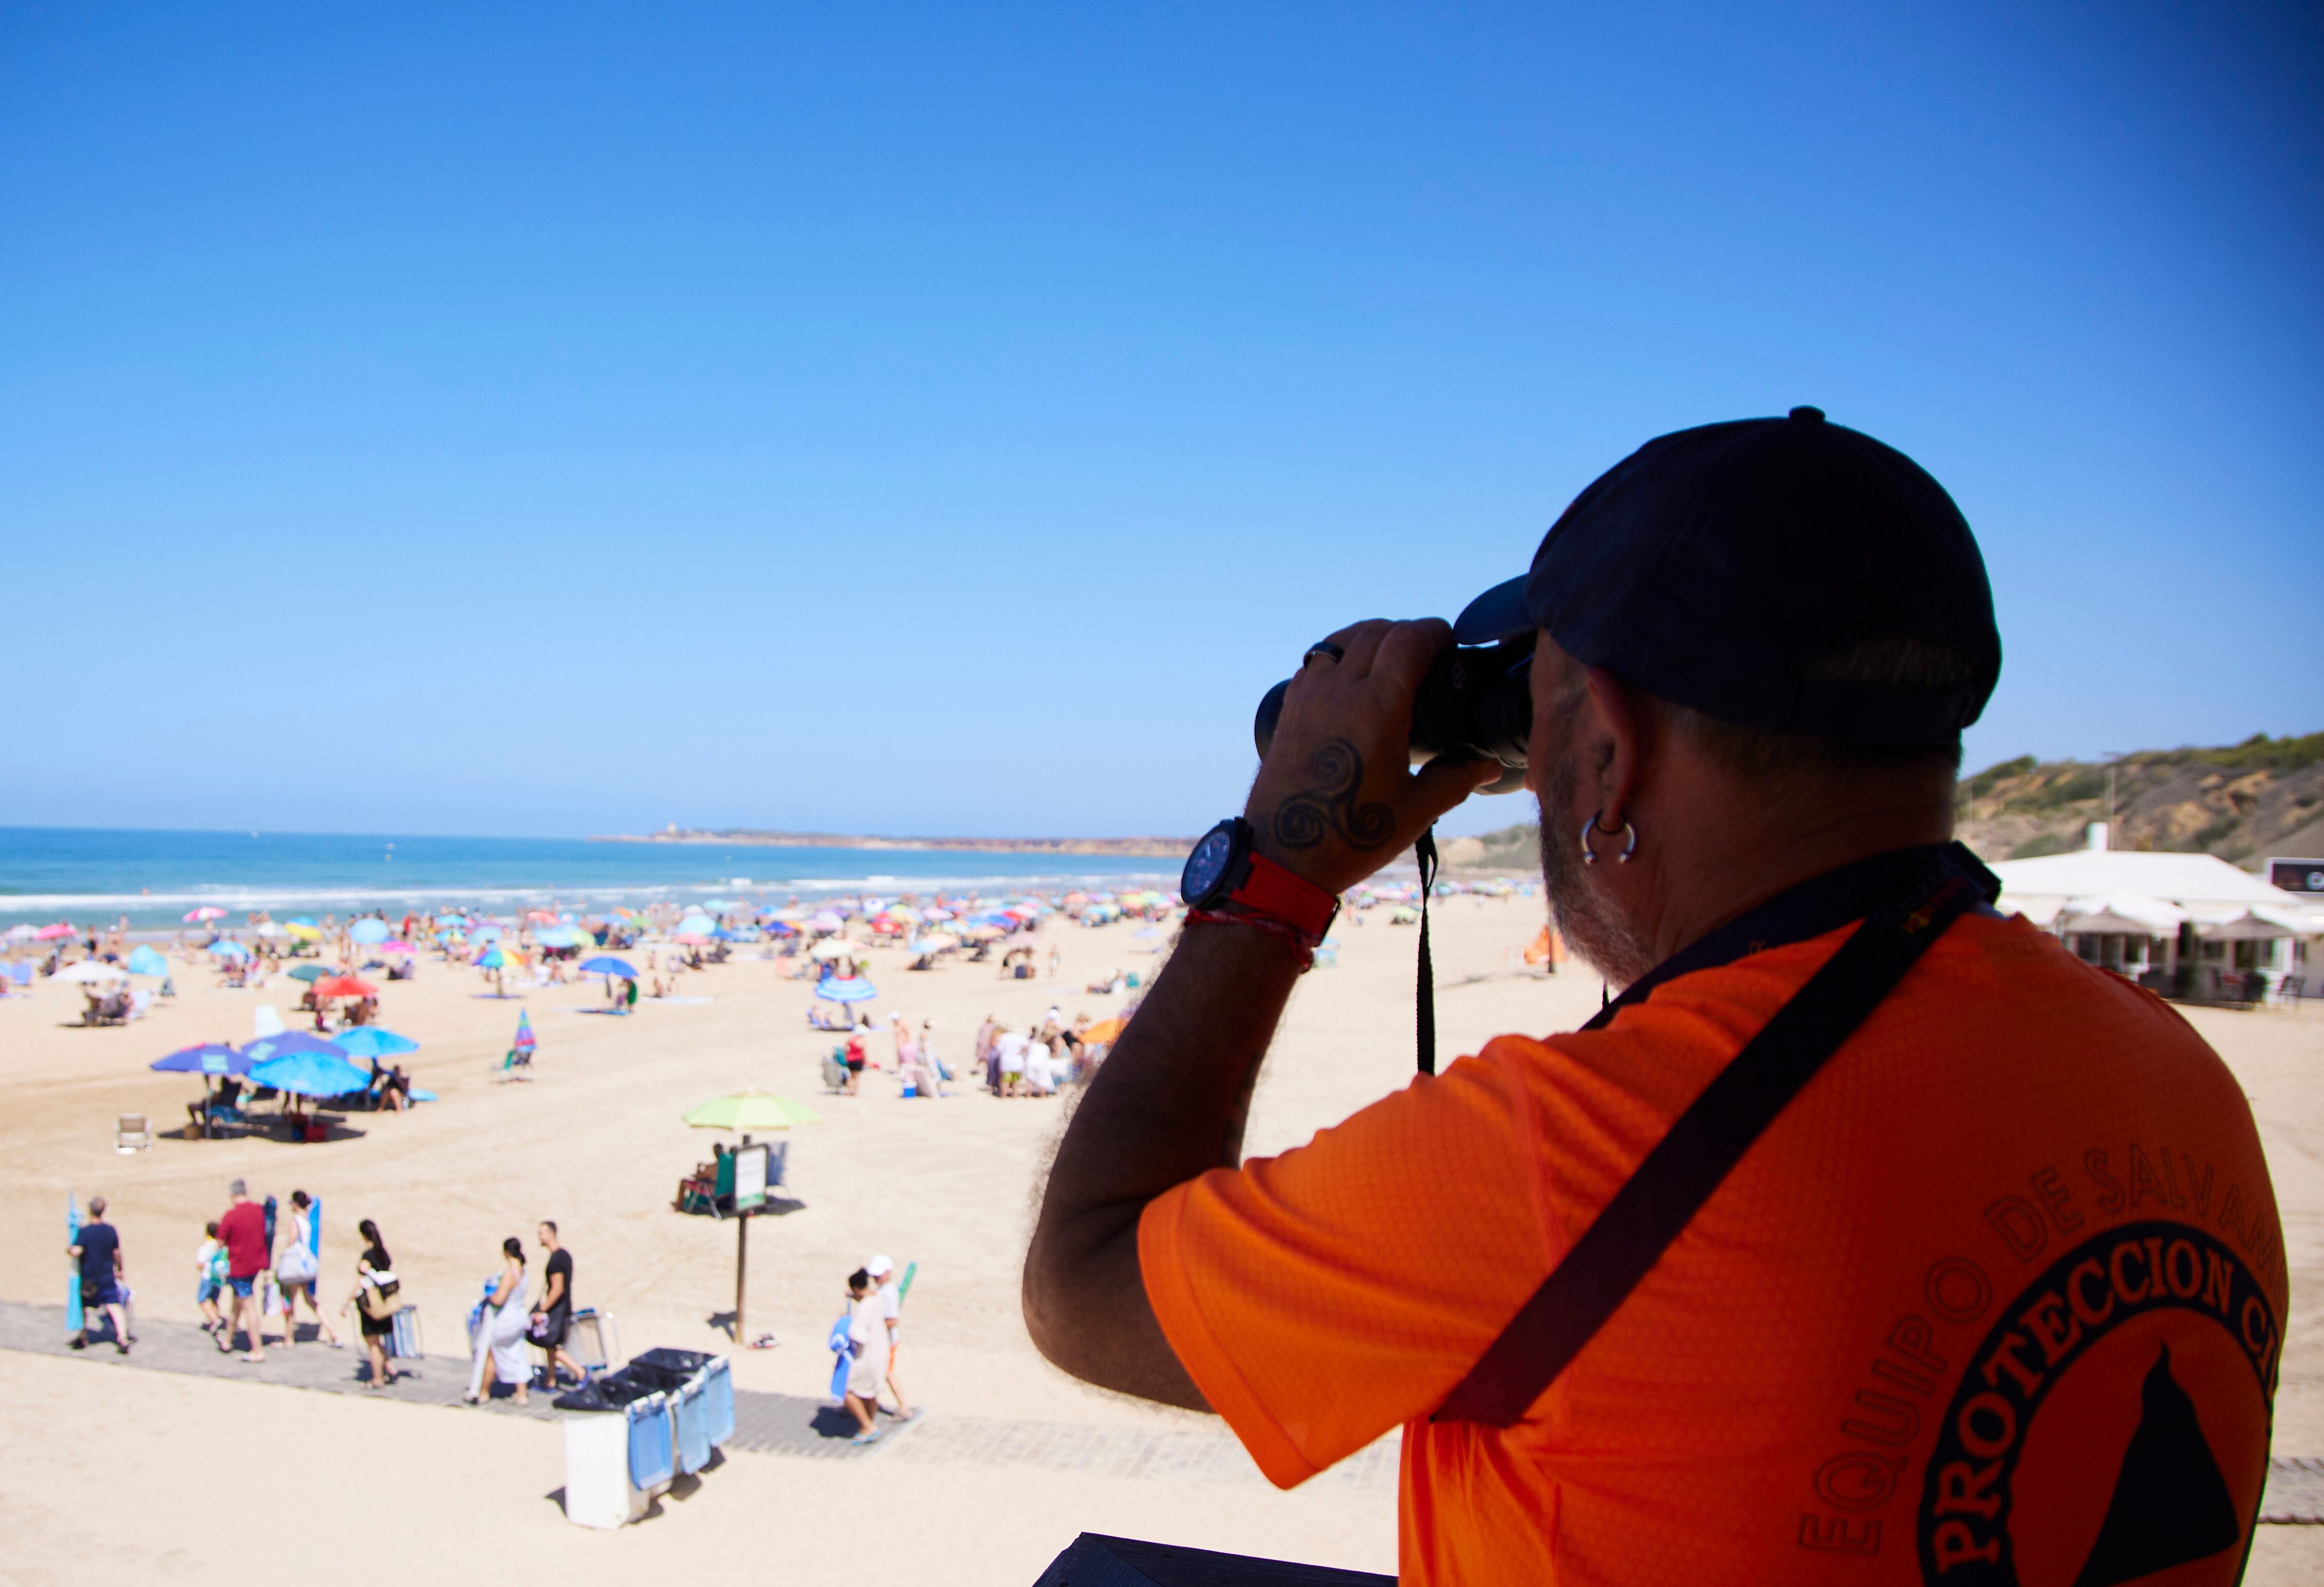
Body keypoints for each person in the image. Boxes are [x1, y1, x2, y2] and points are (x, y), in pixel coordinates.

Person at [1022, 409, 2288, 1584]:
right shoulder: (2166, 1070)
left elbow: (1082, 1287)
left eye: (1542, 721)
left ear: (1612, 751)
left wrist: (1276, 874)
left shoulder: (1561, 1154)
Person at [467, 1235, 534, 1406]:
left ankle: (483, 1392)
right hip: (519, 1317)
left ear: (506, 1253)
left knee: (491, 1354)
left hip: (506, 1319)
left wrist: (489, 1297)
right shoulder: (524, 1272)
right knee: (517, 1353)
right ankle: (522, 1394)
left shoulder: (510, 1274)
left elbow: (499, 1299)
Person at [272, 1189, 342, 1349]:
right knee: (310, 1300)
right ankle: (332, 1332)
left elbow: (291, 1240)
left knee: (289, 1300)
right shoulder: (309, 1220)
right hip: (307, 1265)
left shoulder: (295, 1220)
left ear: (295, 1204)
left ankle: (288, 1339)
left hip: (295, 1266)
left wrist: (283, 1257)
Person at [67, 1196, 130, 1353]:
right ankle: (123, 1338)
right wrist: (120, 1270)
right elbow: (117, 1254)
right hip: (107, 1276)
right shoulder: (110, 1230)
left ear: (90, 1211)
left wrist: (69, 1248)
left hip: (89, 1278)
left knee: (84, 1307)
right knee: (114, 1306)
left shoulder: (85, 1232)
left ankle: (82, 1336)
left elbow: (77, 1251)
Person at [216, 1179, 268, 1361]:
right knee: (237, 1304)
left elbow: (220, 1242)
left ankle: (258, 1350)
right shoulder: (258, 1211)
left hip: (240, 1267)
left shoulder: (231, 1215)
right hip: (256, 1263)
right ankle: (228, 1340)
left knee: (248, 1306)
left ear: (232, 1195)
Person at [530, 1220, 585, 1392]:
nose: (539, 1236)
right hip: (563, 1306)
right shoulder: (564, 1255)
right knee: (551, 1344)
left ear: (552, 1234)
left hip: (558, 1308)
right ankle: (551, 1380)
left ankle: (579, 1371)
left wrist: (543, 1309)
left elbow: (557, 1288)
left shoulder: (557, 1259)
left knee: (549, 1344)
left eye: (542, 1233)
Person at [348, 1220, 401, 1389]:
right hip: (386, 1302)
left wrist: (346, 1302)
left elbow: (360, 1281)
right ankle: (387, 1365)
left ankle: (378, 1378)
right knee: (378, 1341)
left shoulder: (368, 1256)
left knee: (372, 1342)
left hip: (372, 1305)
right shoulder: (383, 1254)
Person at [866, 1254, 917, 1423]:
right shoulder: (883, 1289)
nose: (875, 1277)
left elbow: (893, 1320)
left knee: (888, 1373)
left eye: (878, 1274)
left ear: (888, 1272)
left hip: (888, 1342)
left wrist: (874, 1326)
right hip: (883, 1341)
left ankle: (904, 1407)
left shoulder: (889, 1293)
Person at [840, 1268, 886, 1446]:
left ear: (858, 1289)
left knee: (849, 1391)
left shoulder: (865, 1307)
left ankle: (868, 1426)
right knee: (871, 1393)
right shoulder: (877, 1300)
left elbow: (857, 1333)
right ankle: (870, 1422)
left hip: (867, 1356)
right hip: (881, 1353)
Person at [195, 1222, 228, 1331]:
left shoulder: (206, 1247)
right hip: (218, 1277)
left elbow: (200, 1264)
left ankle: (214, 1320)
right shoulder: (221, 1247)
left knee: (202, 1299)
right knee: (215, 1300)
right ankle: (216, 1318)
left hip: (208, 1276)